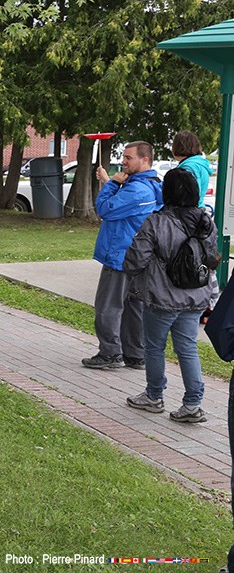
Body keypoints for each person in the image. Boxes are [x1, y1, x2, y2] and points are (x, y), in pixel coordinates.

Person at [122, 168, 214, 423]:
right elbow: (211, 257)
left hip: (162, 297)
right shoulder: (206, 221)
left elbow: (134, 260)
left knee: (154, 347)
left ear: (167, 192)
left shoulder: (156, 221)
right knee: (187, 348)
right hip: (196, 297)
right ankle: (193, 404)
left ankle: (154, 396)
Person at [81, 141, 163, 370]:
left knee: (108, 306)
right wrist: (112, 182)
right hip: (137, 256)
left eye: (129, 158)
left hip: (120, 255)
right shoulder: (150, 185)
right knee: (133, 307)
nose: (123, 162)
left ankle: (110, 353)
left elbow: (105, 209)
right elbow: (124, 208)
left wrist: (110, 184)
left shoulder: (137, 189)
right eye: (124, 157)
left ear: (145, 159)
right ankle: (136, 354)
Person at [172, 130, 211, 208]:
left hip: (187, 215)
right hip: (197, 211)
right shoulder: (199, 164)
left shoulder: (188, 168)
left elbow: (190, 197)